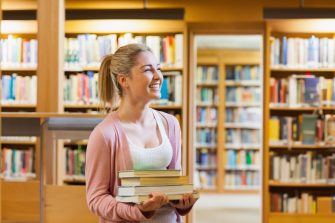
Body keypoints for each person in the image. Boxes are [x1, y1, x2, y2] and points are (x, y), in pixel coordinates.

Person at [85, 43, 197, 223]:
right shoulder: (104, 134)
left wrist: (183, 202)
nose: (158, 76)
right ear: (124, 80)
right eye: (147, 70)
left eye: (158, 68)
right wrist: (139, 211)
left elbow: (174, 183)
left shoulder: (170, 124)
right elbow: (96, 199)